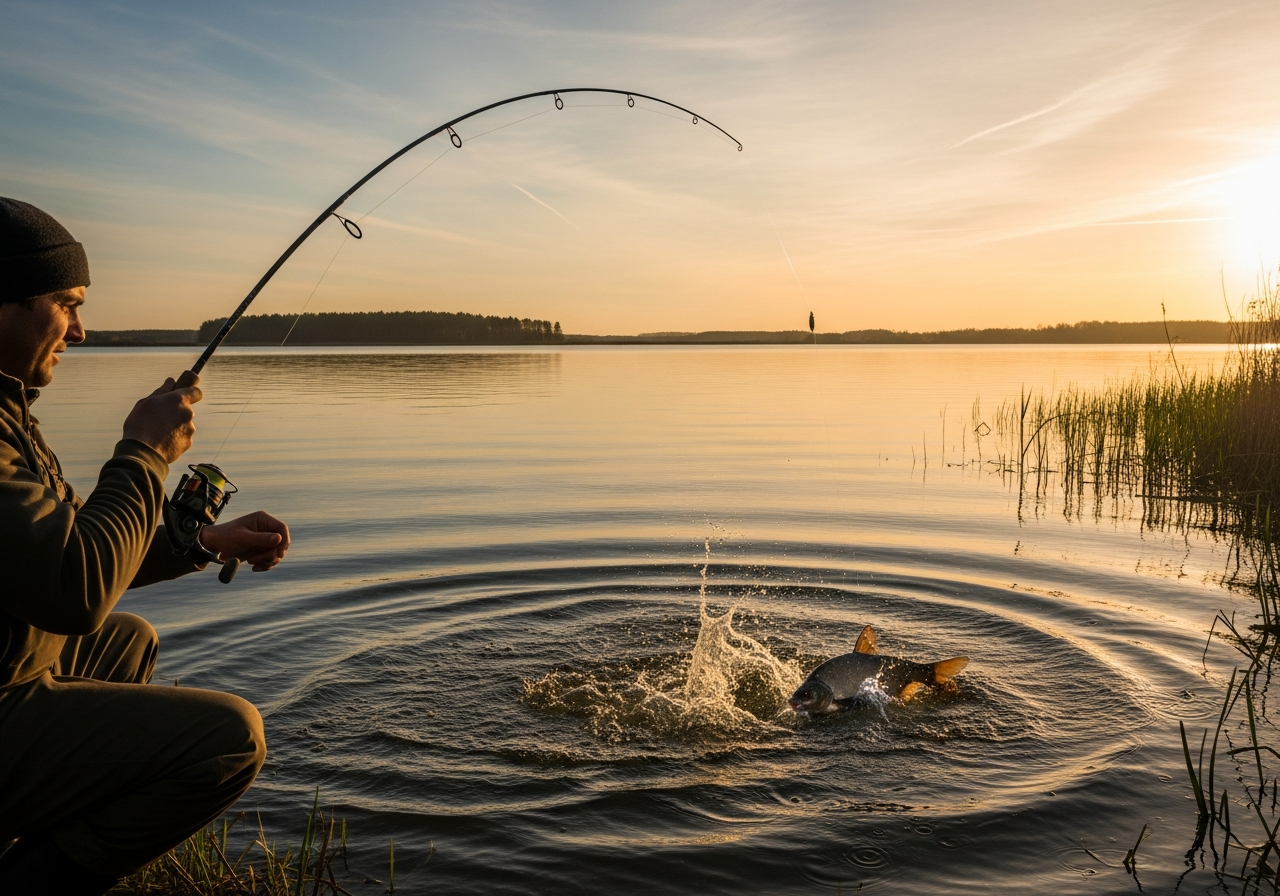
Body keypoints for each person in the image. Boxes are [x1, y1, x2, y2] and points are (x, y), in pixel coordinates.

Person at [0, 197, 291, 895]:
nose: (81, 330)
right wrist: (142, 451)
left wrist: (202, 540)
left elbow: (68, 551)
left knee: (126, 639)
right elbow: (75, 589)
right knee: (230, 736)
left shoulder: (9, 412)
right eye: (66, 304)